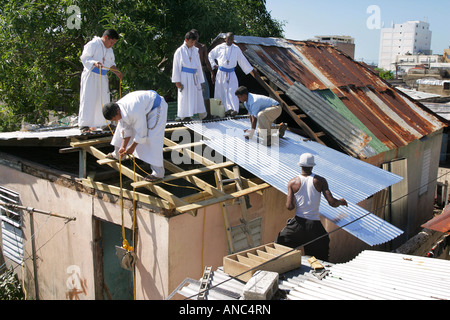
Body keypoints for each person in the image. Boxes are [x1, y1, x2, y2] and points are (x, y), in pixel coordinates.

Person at [275, 153, 348, 261]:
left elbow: (289, 207)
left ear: (300, 165)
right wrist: (341, 202)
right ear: (312, 166)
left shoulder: (292, 182)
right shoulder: (320, 181)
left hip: (298, 224)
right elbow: (332, 203)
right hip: (314, 226)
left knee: (280, 245)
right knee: (319, 258)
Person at [102, 90, 168, 182]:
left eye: (115, 119)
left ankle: (158, 173)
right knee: (119, 129)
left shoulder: (133, 110)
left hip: (156, 107)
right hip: (143, 108)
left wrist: (132, 147)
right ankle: (117, 154)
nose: (116, 120)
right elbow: (125, 129)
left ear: (117, 111)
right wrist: (123, 147)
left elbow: (142, 132)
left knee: (152, 137)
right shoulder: (118, 108)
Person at [79, 29, 123, 133]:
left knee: (103, 99)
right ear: (106, 38)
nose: (112, 45)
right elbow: (85, 57)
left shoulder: (109, 50)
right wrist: (94, 63)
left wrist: (117, 72)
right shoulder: (93, 44)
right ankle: (85, 124)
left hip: (102, 76)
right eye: (111, 42)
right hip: (91, 75)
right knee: (89, 98)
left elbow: (111, 63)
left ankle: (104, 123)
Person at [208, 32, 254, 116]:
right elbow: (210, 55)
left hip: (231, 73)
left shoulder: (236, 48)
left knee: (233, 91)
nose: (230, 41)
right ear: (225, 39)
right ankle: (221, 110)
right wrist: (214, 65)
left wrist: (251, 70)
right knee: (220, 91)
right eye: (228, 39)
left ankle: (233, 110)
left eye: (232, 39)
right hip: (221, 73)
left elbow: (242, 60)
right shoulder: (219, 47)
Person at [172, 30, 207, 121]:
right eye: (191, 42)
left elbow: (198, 65)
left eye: (194, 42)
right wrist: (177, 81)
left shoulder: (195, 50)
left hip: (194, 76)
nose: (192, 44)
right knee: (185, 96)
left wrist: (201, 79)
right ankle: (184, 116)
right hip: (184, 76)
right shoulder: (179, 51)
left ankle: (202, 115)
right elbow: (176, 66)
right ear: (186, 40)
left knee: (197, 95)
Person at [191, 29, 213, 115]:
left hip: (200, 71)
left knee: (205, 90)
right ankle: (192, 114)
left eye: (196, 35)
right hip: (191, 72)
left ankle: (208, 113)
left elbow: (206, 60)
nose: (195, 37)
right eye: (194, 36)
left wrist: (211, 72)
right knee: (192, 92)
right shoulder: (189, 47)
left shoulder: (202, 47)